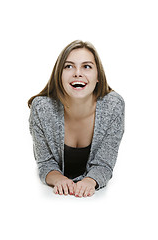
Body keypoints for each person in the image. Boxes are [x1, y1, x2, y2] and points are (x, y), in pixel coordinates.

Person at [28, 40, 125, 198]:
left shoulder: (113, 106)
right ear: (59, 75)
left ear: (98, 76)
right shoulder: (42, 108)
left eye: (86, 66)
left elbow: (105, 162)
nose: (77, 73)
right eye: (68, 66)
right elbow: (45, 163)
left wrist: (90, 181)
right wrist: (58, 179)